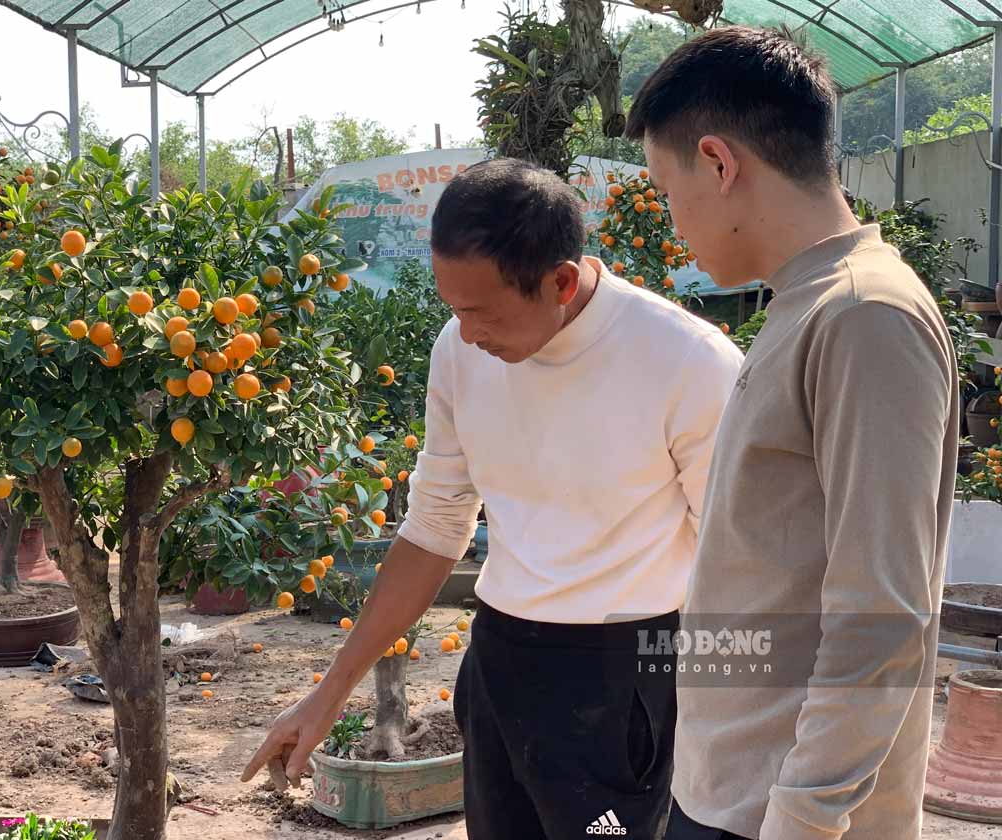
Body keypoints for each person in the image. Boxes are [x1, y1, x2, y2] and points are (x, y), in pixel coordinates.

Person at [242, 157, 743, 839]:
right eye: (455, 310)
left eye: (482, 312)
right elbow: (433, 529)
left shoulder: (689, 363)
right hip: (501, 663)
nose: (469, 333)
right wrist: (328, 695)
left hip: (620, 684)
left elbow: (736, 563)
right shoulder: (460, 349)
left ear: (560, 281)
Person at [625, 26, 958, 840]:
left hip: (783, 813)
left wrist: (803, 819)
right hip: (735, 789)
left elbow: (883, 617)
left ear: (717, 162)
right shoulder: (807, 303)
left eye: (668, 191)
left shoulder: (864, 316)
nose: (674, 224)